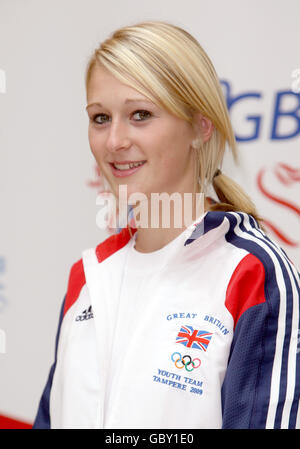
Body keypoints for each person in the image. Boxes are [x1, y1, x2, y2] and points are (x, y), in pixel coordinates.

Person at [33, 20, 300, 429]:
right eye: (100, 117)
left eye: (140, 114)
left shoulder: (253, 275)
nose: (114, 141)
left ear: (200, 126)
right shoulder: (87, 278)